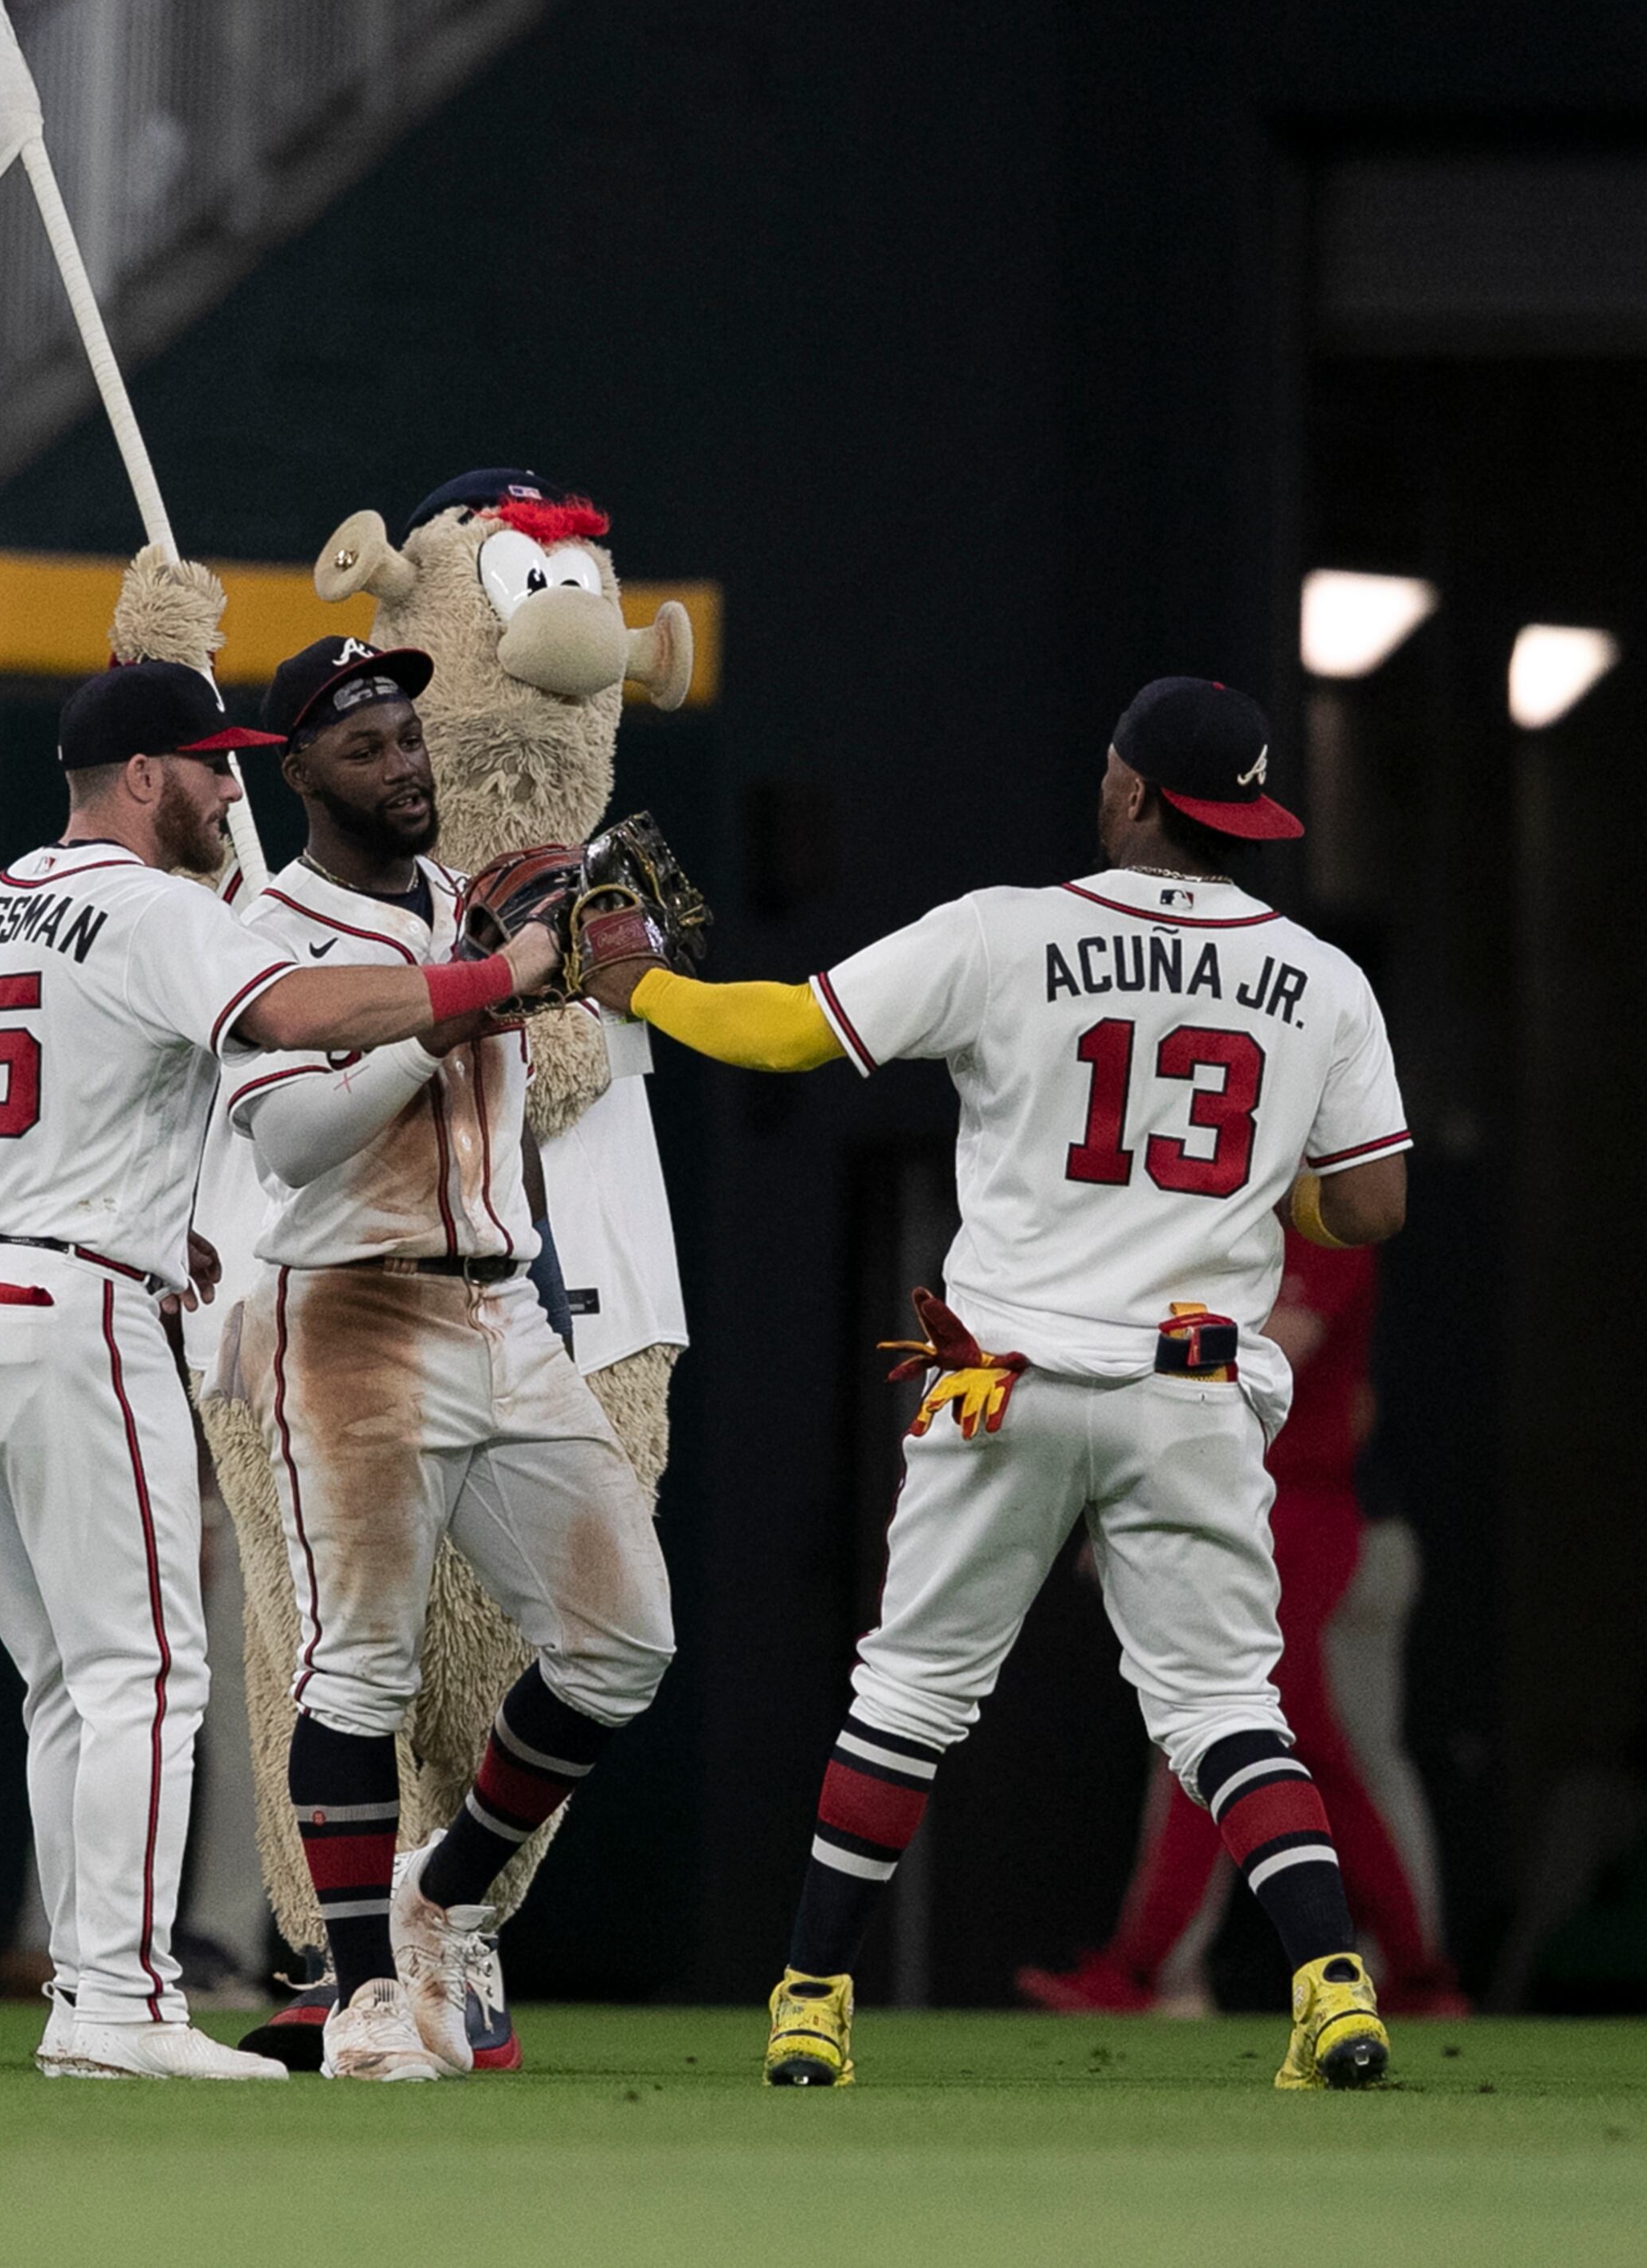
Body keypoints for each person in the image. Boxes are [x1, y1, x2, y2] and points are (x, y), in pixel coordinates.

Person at [601, 675, 1413, 2092]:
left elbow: (789, 1031)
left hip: (1001, 1372)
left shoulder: (1008, 929)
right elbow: (1375, 1207)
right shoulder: (1323, 979)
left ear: (1138, 794)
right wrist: (1231, 1196)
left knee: (906, 1694)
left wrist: (639, 984)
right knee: (1229, 1709)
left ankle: (808, 2002)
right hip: (1191, 1377)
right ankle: (1333, 1987)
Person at [0, 658, 559, 2082]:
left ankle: (88, 1996)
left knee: (66, 1681)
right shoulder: (151, 906)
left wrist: (134, 1217)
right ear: (139, 779)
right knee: (142, 1668)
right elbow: (301, 1019)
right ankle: (125, 2008)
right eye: (208, 764)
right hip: (68, 1304)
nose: (227, 787)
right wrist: (491, 978)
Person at [218, 636, 675, 2080]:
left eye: (410, 737)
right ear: (298, 772)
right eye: (365, 749)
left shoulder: (464, 905)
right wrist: (474, 996)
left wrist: (580, 985)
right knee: (355, 1668)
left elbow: (526, 1063)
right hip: (351, 1309)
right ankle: (360, 1995)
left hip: (505, 1303)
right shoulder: (268, 929)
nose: (405, 766)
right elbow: (286, 1141)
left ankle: (446, 1892)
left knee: (623, 1644)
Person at [1016, 1229, 1463, 2017]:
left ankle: (1157, 1972)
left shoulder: (1327, 1221)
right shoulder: (1225, 1228)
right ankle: (1407, 1972)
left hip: (1295, 1514)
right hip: (1238, 1503)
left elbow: (1265, 1355)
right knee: (1254, 1742)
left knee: (1260, 1741)